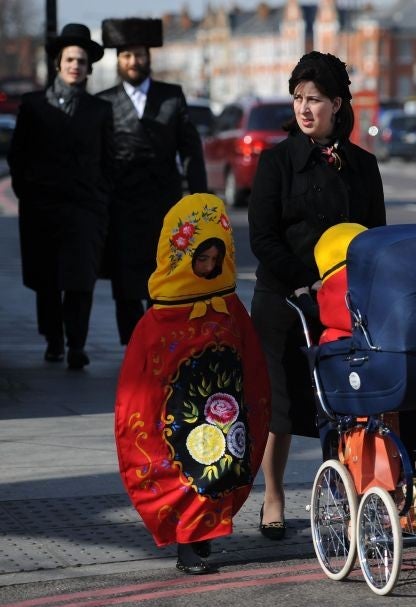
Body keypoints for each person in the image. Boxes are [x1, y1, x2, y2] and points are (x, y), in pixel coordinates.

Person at [248, 51, 386, 539]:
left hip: (344, 305)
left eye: (316, 99)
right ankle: (274, 495)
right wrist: (304, 279)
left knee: (344, 404)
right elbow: (262, 237)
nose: (305, 108)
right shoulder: (277, 160)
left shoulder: (363, 166)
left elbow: (375, 235)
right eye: (299, 98)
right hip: (283, 301)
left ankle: (344, 493)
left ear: (338, 104)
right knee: (280, 406)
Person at [115, 193, 270, 575]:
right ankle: (188, 540)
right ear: (181, 257)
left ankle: (201, 536)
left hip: (222, 412)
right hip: (178, 418)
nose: (209, 266)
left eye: (216, 260)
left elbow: (249, 360)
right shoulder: (159, 319)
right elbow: (141, 381)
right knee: (185, 468)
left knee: (218, 466)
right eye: (201, 259)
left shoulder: (229, 306)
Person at [8, 23, 113, 369]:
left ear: (88, 67)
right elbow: (17, 156)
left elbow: (108, 159)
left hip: (84, 209)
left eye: (81, 61)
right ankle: (54, 339)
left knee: (80, 280)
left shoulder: (99, 110)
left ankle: (77, 344)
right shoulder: (33, 105)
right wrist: (29, 194)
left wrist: (100, 199)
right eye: (70, 59)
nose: (75, 66)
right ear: (58, 63)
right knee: (48, 280)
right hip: (42, 208)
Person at [98, 17, 207, 346]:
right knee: (127, 282)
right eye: (127, 55)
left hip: (165, 205)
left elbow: (191, 151)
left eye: (140, 55)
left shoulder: (171, 96)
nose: (134, 62)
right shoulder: (103, 102)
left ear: (150, 57)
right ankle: (132, 348)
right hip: (122, 206)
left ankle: (163, 343)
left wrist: (201, 201)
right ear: (118, 60)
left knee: (166, 276)